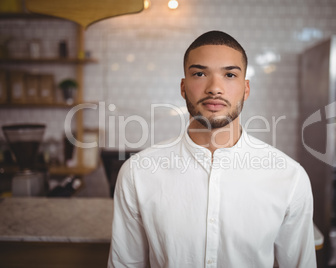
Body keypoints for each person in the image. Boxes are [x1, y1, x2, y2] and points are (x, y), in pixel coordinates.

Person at [108, 30, 317, 268]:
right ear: (183, 87)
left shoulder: (289, 177)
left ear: (246, 89)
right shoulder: (137, 173)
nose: (214, 88)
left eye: (229, 74)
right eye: (199, 73)